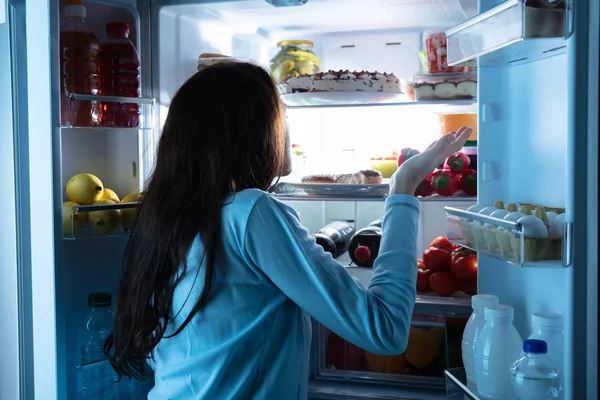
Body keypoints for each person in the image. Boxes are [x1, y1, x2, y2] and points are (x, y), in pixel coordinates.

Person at [104, 61, 472, 399]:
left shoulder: (171, 216)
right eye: (279, 114)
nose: (286, 127)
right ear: (248, 131)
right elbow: (384, 329)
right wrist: (403, 189)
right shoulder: (252, 211)